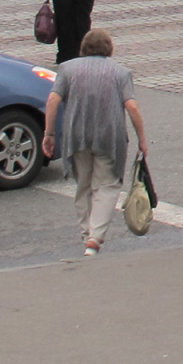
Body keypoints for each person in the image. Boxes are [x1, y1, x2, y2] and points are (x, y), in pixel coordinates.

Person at [42, 28, 147, 258]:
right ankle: (95, 237)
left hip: (76, 136)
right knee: (107, 186)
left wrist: (49, 134)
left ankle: (86, 234)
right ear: (109, 48)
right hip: (109, 137)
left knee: (83, 186)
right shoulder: (120, 73)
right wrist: (141, 139)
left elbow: (52, 100)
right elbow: (131, 106)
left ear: (83, 47)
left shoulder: (67, 69)